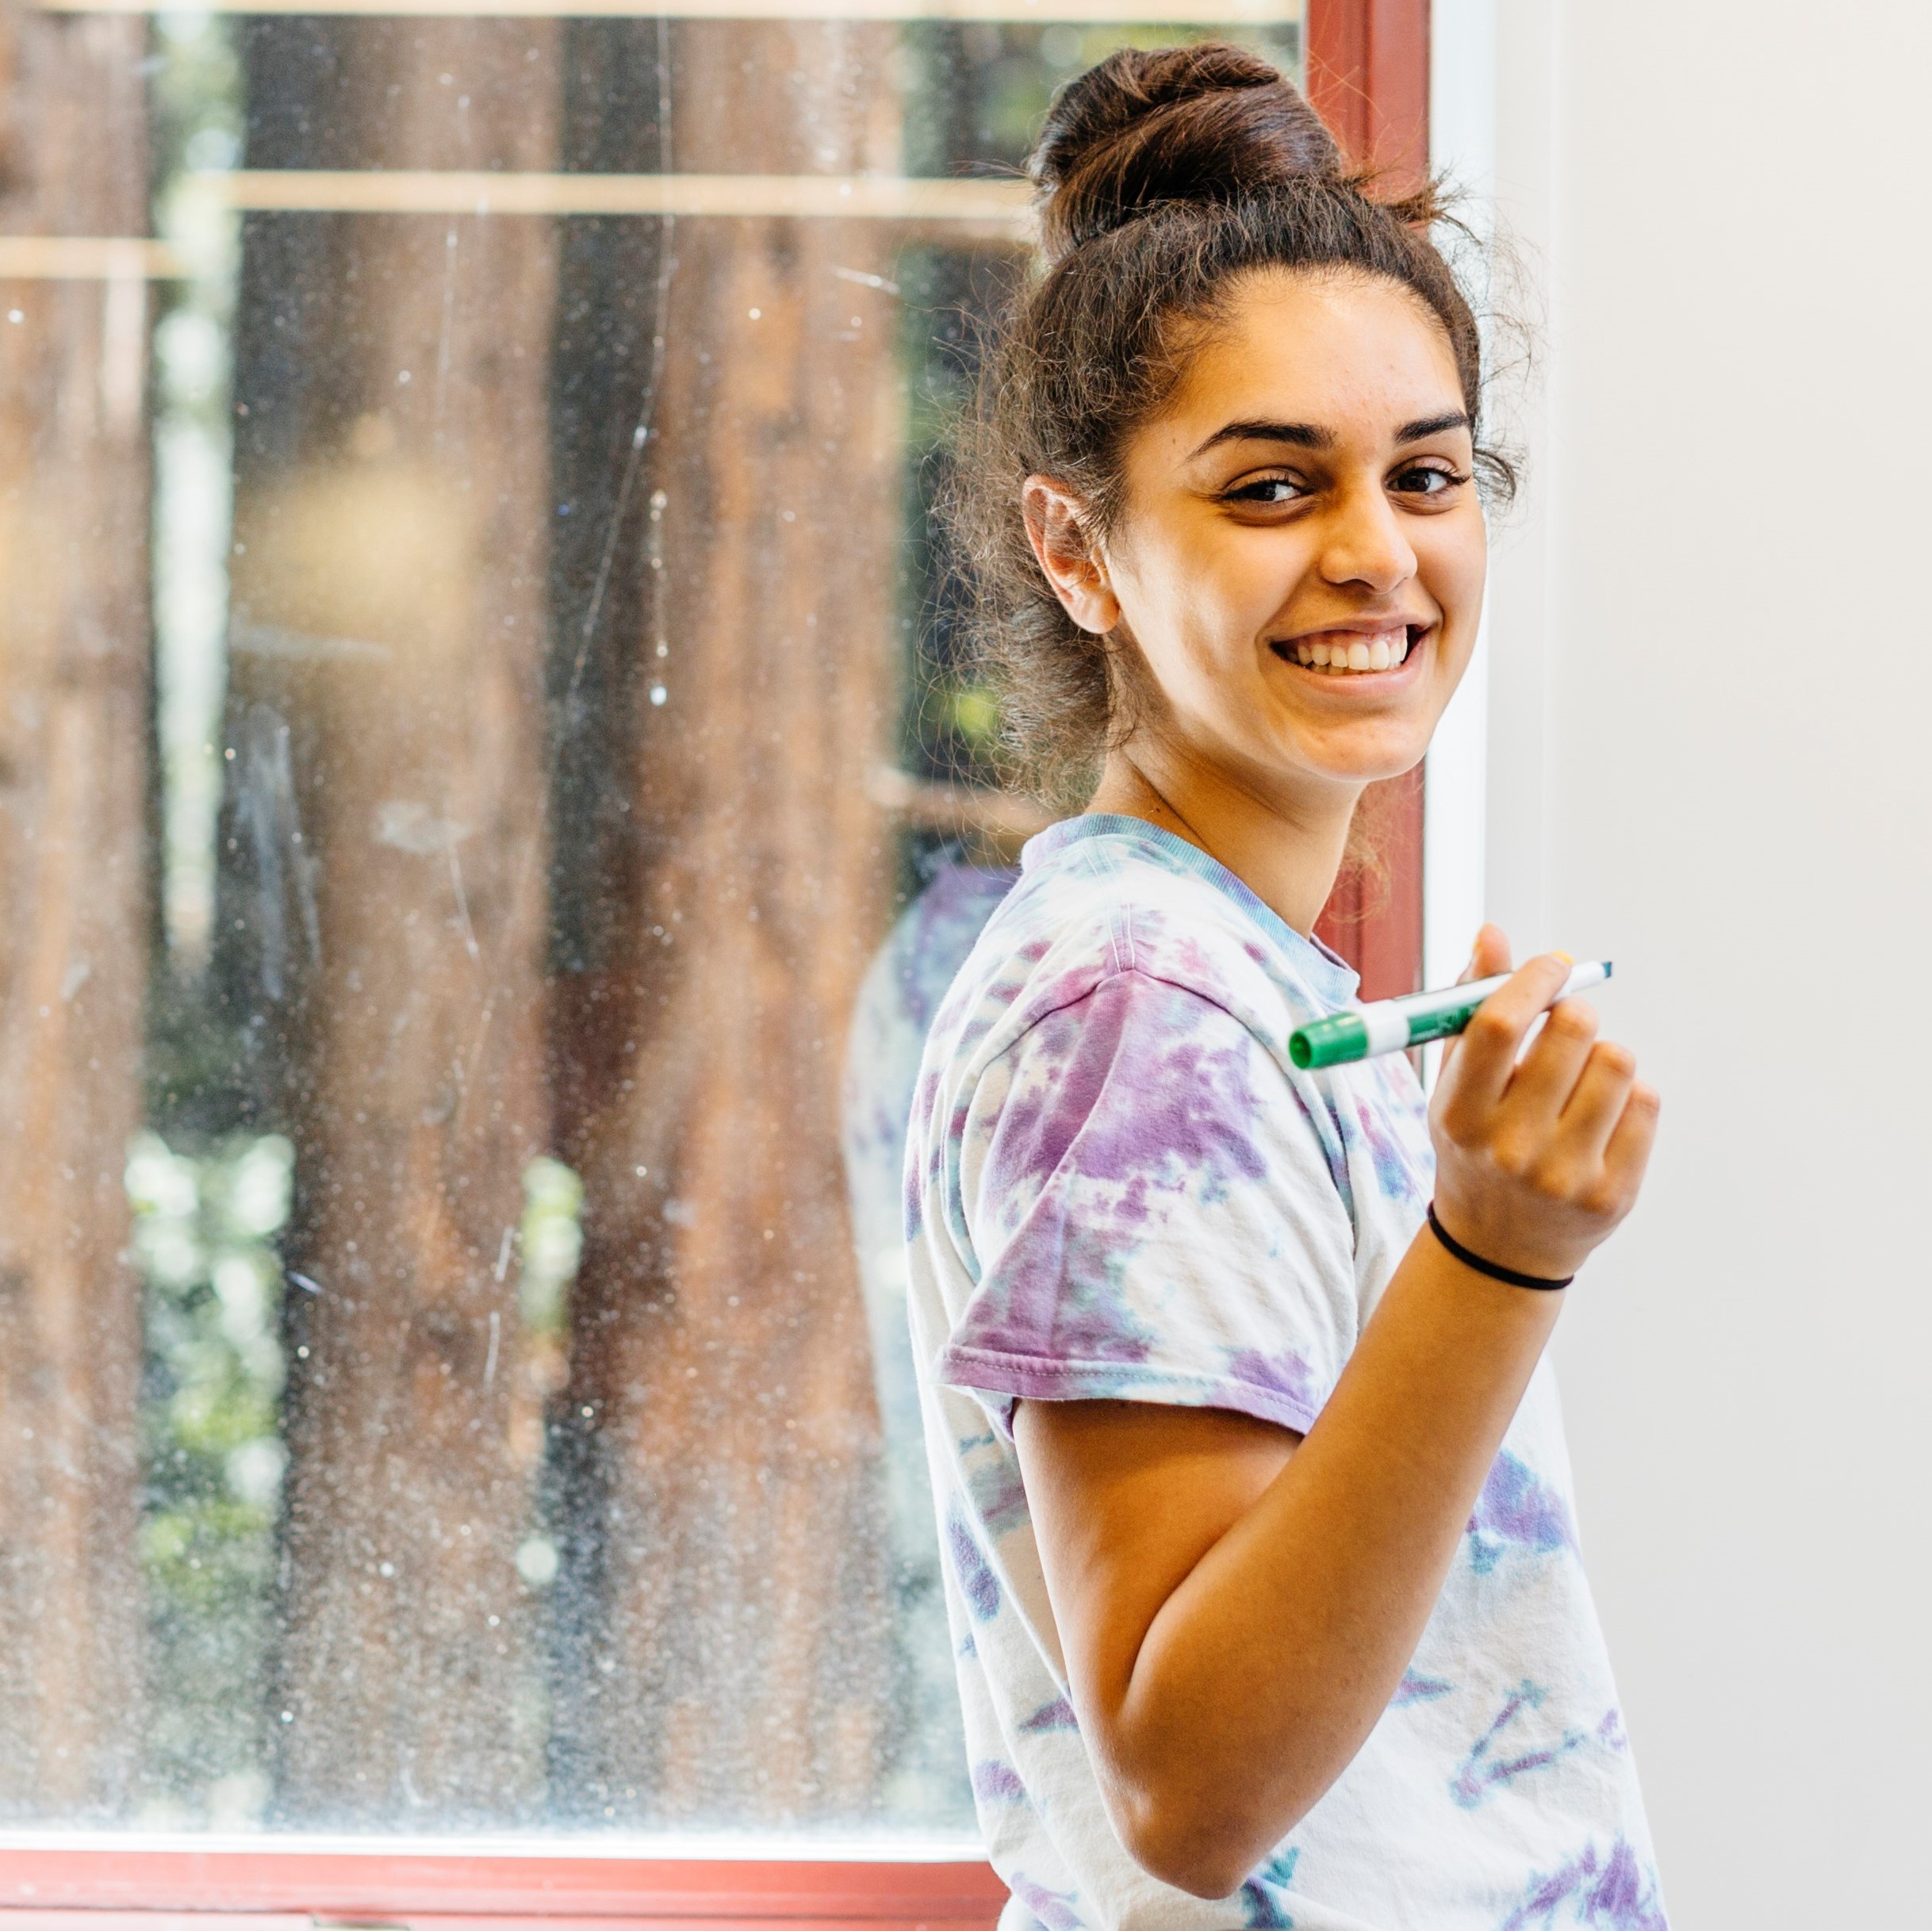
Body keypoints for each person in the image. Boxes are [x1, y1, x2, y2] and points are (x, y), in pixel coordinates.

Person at [904, 43, 1667, 1931]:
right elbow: (1193, 1777)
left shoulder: (1216, 967)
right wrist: (1494, 1257)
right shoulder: (1144, 1012)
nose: (1378, 554)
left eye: (1429, 471)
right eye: (1270, 488)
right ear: (1077, 549)